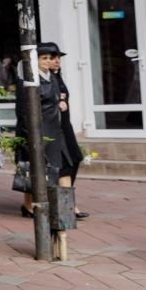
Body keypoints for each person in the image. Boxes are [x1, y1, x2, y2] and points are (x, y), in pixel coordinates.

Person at [18, 43, 86, 219]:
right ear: (35, 60)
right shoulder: (29, 80)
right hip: (40, 133)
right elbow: (24, 111)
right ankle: (29, 205)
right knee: (37, 170)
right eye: (44, 58)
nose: (49, 61)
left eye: (50, 58)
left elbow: (54, 99)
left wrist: (60, 102)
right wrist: (31, 136)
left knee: (65, 167)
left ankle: (66, 210)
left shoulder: (53, 78)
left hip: (56, 132)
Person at [51, 45, 88, 218]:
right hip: (54, 129)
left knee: (75, 158)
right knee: (64, 165)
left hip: (66, 127)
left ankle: (64, 201)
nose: (56, 61)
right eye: (52, 58)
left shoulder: (57, 77)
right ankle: (67, 206)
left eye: (58, 58)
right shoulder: (45, 79)